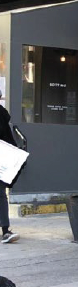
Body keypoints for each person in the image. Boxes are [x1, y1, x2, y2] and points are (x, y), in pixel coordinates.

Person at [0, 96, 19, 244]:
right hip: (2, 158)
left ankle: (6, 231)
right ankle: (5, 231)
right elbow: (9, 140)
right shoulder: (2, 114)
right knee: (1, 195)